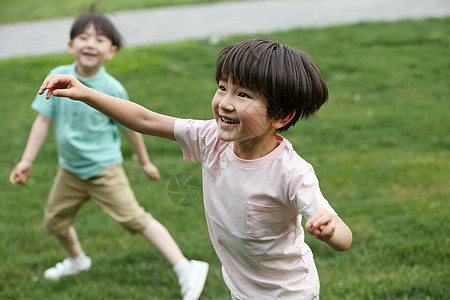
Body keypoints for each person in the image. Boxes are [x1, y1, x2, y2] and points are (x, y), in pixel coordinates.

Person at [38, 37, 353, 300]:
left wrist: (329, 230)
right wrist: (86, 93)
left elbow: (344, 239)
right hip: (241, 288)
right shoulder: (210, 138)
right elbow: (145, 120)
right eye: (222, 88)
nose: (225, 102)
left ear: (280, 116)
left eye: (242, 94)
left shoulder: (292, 173)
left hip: (289, 294)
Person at [9, 13, 208, 300]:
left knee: (134, 219)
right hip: (71, 171)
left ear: (111, 51)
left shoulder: (112, 89)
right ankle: (78, 260)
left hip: (104, 169)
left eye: (100, 39)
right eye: (84, 37)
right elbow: (42, 121)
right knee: (55, 222)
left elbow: (133, 126)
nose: (91, 44)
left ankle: (185, 267)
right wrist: (27, 160)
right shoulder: (57, 77)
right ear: (70, 44)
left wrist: (144, 161)